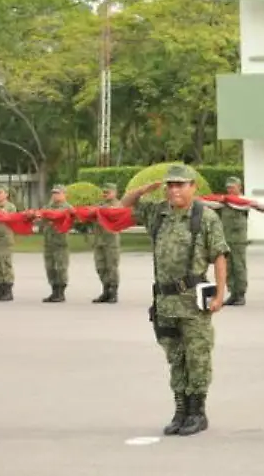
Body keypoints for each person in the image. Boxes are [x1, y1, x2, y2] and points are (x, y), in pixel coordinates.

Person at [120, 164, 229, 437]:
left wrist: (220, 294)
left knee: (197, 357)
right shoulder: (159, 213)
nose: (174, 190)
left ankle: (197, 412)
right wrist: (144, 189)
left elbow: (219, 255)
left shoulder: (204, 217)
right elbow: (124, 205)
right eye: (170, 185)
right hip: (165, 300)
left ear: (193, 186)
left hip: (192, 300)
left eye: (180, 184)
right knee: (175, 357)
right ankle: (180, 410)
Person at [39, 184, 73, 304]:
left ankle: (60, 292)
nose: (55, 195)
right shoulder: (48, 206)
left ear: (64, 194)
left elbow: (59, 216)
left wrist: (46, 214)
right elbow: (41, 219)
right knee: (50, 267)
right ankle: (54, 291)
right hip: (49, 242)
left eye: (58, 193)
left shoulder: (67, 207)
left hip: (60, 242)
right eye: (53, 193)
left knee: (61, 267)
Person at [219, 176, 249, 307]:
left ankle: (241, 294)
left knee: (239, 267)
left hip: (238, 241)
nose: (230, 190)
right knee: (228, 268)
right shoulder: (225, 202)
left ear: (239, 187)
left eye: (232, 187)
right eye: (228, 187)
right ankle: (233, 293)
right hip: (226, 239)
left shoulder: (243, 202)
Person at [91, 183, 122, 304]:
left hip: (111, 241)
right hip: (99, 241)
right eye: (104, 192)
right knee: (100, 267)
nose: (105, 195)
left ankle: (113, 292)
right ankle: (105, 290)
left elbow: (113, 214)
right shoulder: (100, 205)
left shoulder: (117, 205)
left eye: (107, 192)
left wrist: (99, 211)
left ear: (114, 193)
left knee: (111, 267)